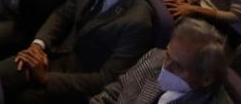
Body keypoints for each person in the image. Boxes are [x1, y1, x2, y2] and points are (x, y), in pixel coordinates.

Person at [0, 0, 154, 104]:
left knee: (23, 99)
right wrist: (38, 46)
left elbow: (106, 79)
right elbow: (62, 14)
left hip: (78, 80)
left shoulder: (137, 21)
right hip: (54, 53)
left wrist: (46, 79)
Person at [90, 18, 232, 104]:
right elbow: (117, 90)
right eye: (168, 55)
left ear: (206, 79)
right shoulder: (156, 57)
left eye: (178, 66)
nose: (165, 66)